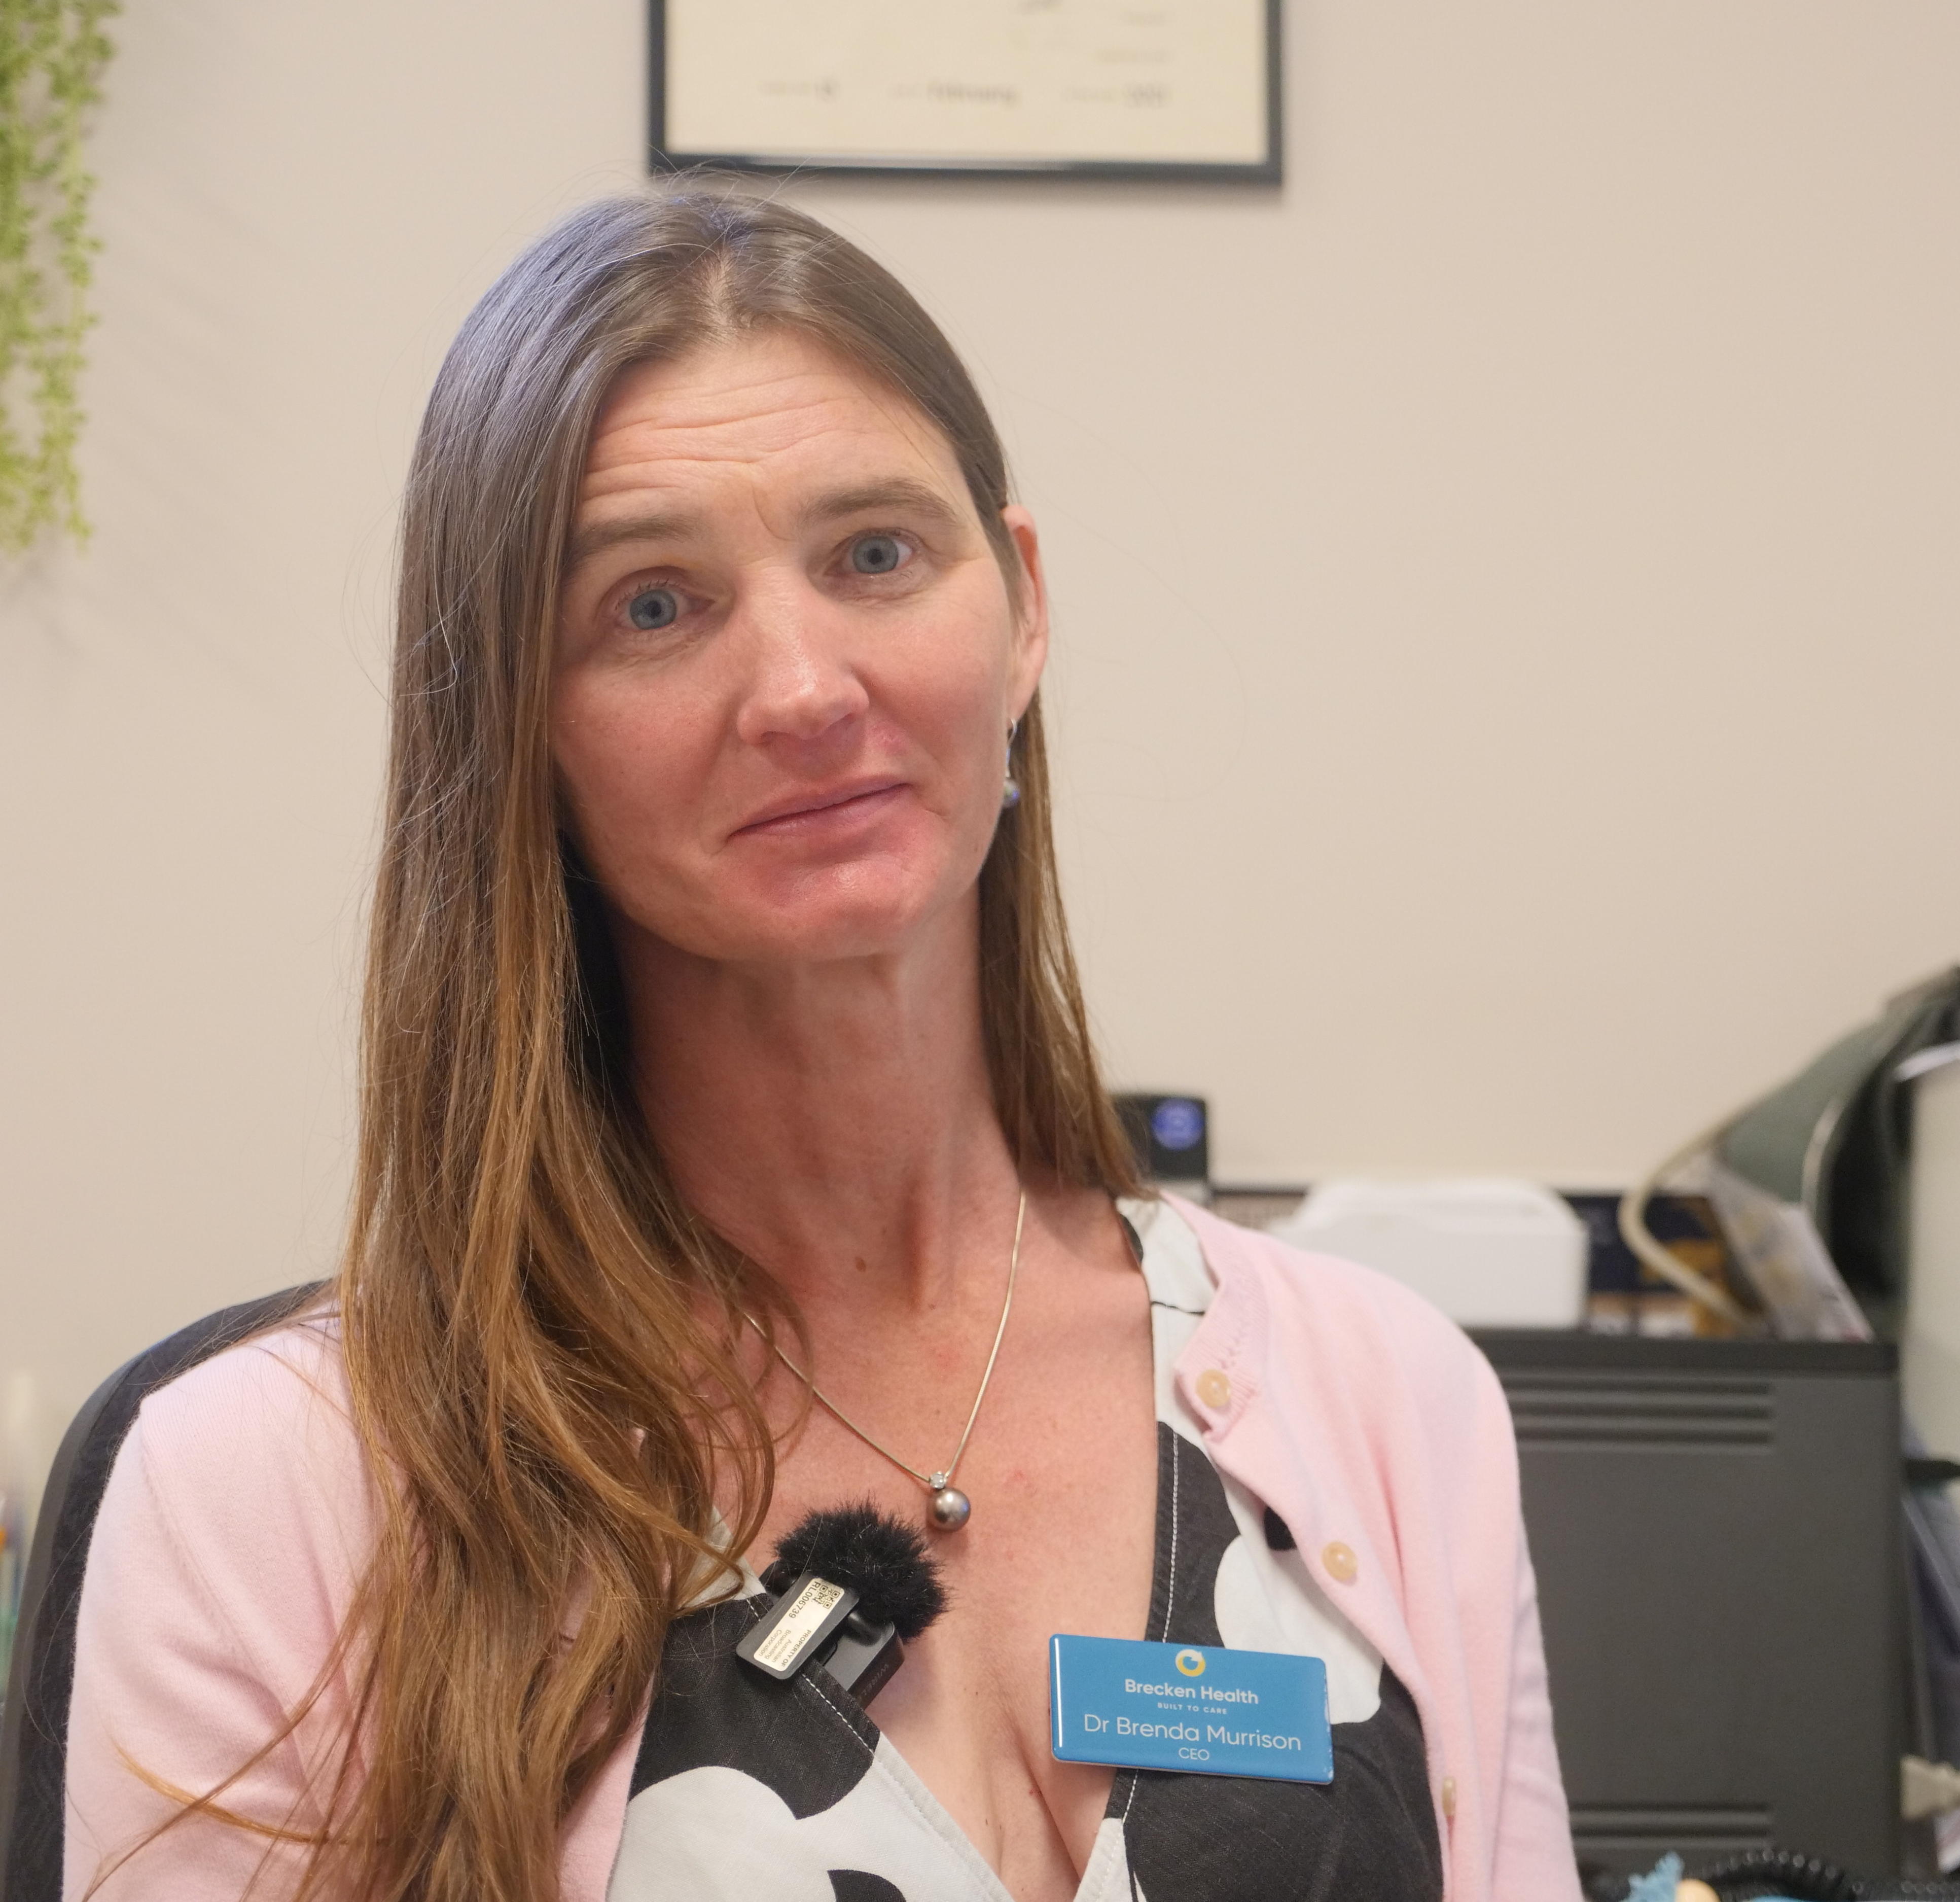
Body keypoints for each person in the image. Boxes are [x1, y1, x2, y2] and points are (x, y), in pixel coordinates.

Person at [62, 190, 1579, 1902]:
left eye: (874, 556)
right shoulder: (271, 1487)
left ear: (1020, 607)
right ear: (520, 731)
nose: (802, 688)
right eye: (654, 606)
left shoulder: (1386, 1396)